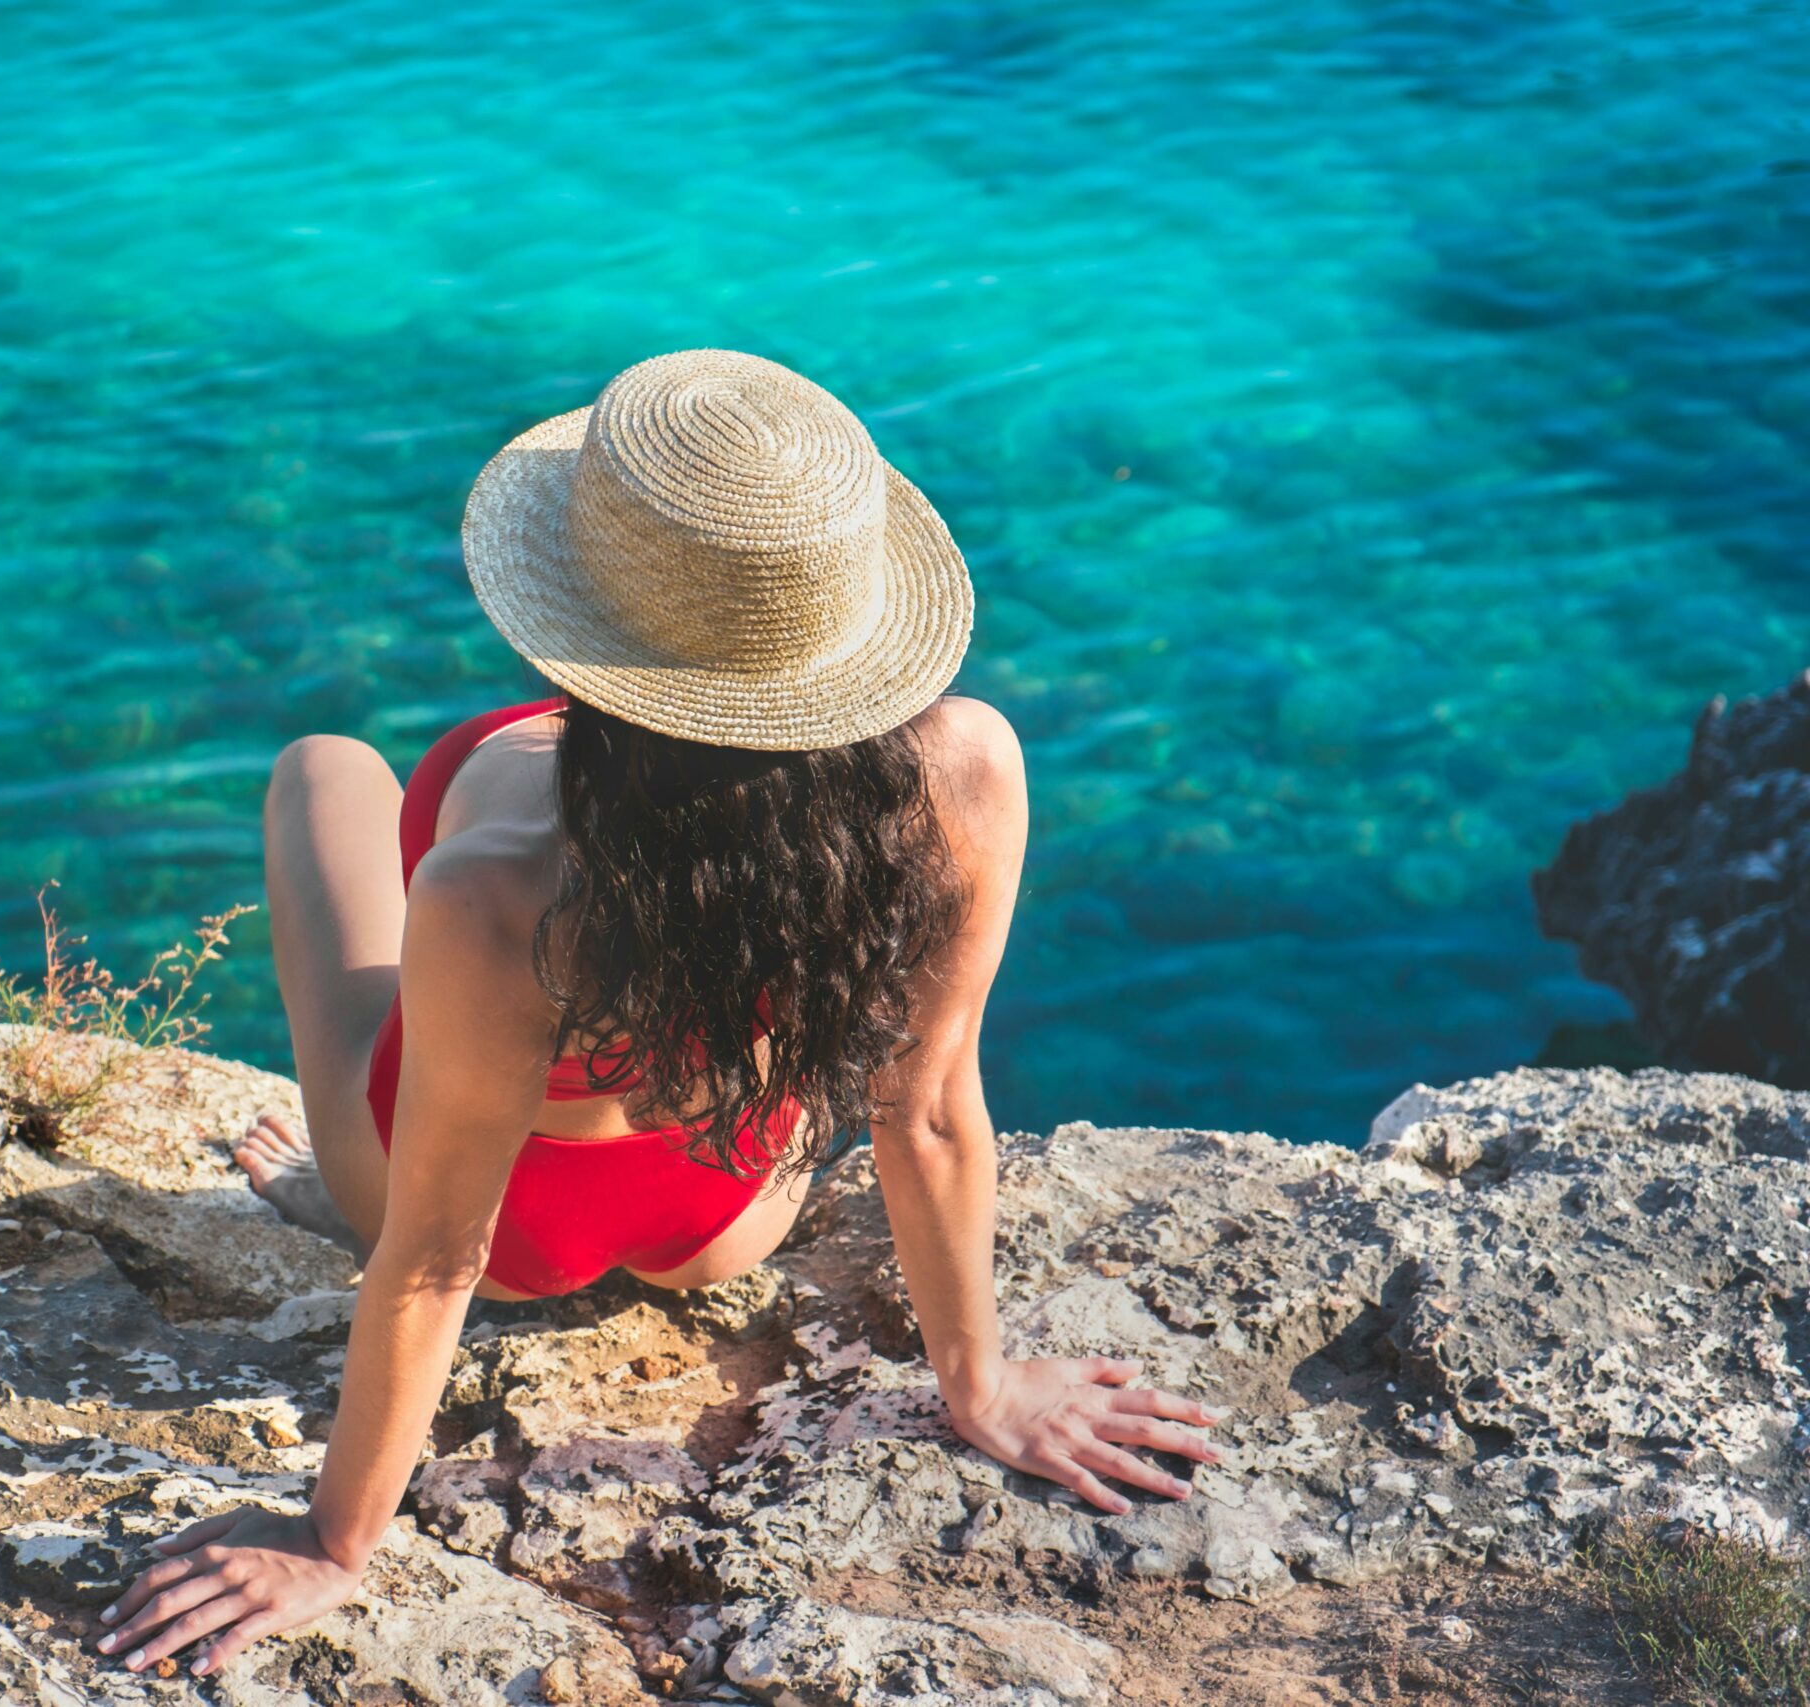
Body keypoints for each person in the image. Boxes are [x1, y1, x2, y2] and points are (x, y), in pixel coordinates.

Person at [97, 350, 1224, 1678]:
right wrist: (977, 1386)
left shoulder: (496, 884)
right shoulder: (967, 770)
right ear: (844, 631)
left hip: (509, 1235)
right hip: (727, 1219)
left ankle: (313, 1163)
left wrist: (339, 1545)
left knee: (323, 769)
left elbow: (436, 1255)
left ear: (582, 623)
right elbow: (926, 1109)